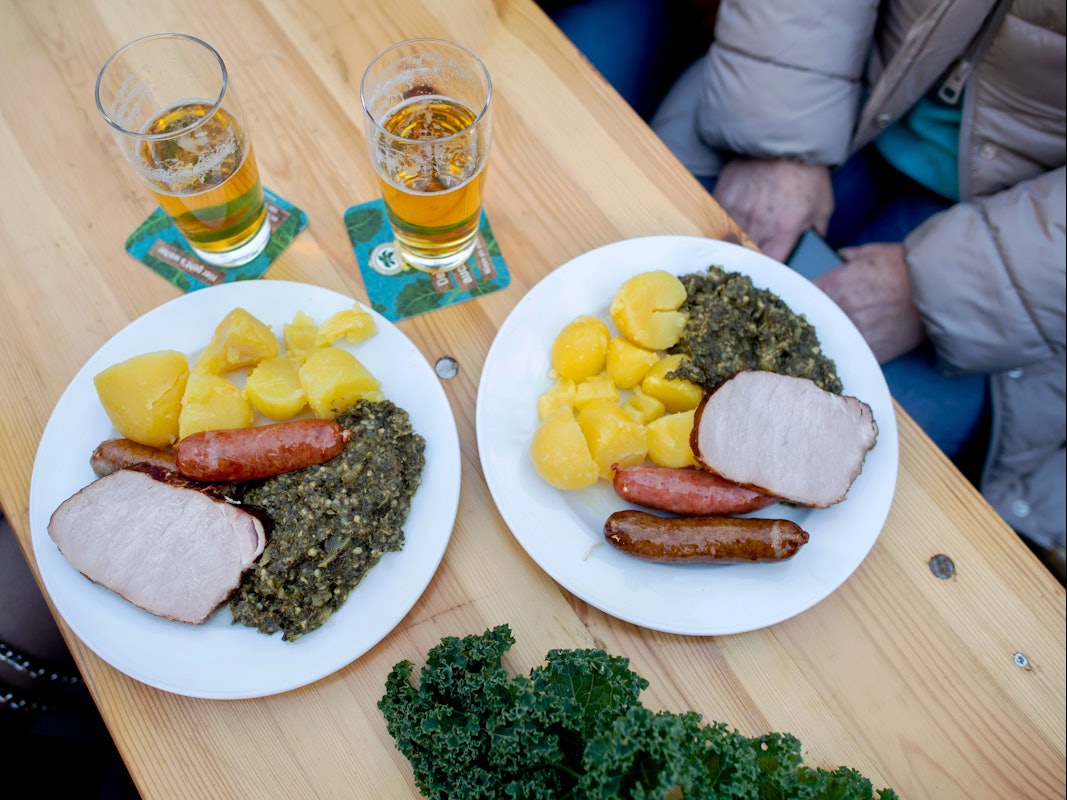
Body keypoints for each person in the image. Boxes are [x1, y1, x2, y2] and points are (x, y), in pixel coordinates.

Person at [650, 0, 1065, 577]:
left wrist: (946, 287)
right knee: (647, 233)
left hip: (1031, 262)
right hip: (829, 81)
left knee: (870, 490)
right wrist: (780, 138)